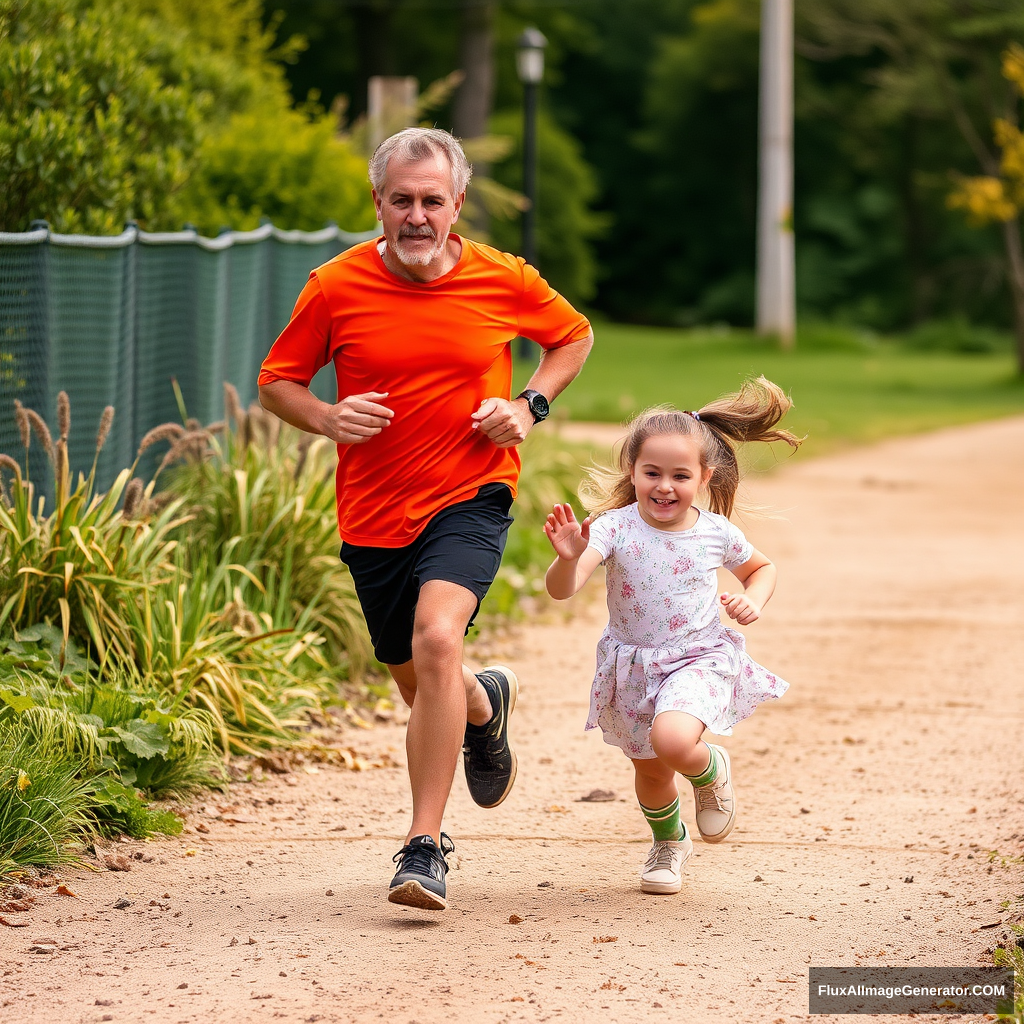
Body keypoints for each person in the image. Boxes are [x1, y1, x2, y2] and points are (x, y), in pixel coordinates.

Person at [258, 127, 593, 911]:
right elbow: (278, 382)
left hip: (470, 494)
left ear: (458, 204)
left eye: (431, 201)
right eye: (400, 200)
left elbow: (572, 335)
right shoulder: (335, 285)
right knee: (419, 679)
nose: (416, 216)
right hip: (373, 513)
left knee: (438, 638)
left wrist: (527, 404)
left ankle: (422, 848)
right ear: (377, 202)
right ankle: (484, 704)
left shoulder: (501, 278)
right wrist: (330, 417)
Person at [542, 377, 801, 895]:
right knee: (652, 772)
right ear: (632, 471)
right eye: (652, 473)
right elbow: (562, 591)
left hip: (697, 658)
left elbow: (762, 568)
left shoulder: (715, 532)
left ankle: (708, 773)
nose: (665, 486)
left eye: (680, 475)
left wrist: (753, 598)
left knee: (674, 741)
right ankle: (668, 841)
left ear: (705, 476)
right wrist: (566, 558)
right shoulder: (613, 527)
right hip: (632, 665)